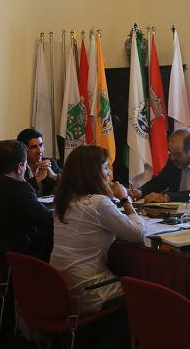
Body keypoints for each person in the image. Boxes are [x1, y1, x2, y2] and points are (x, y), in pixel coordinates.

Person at [50, 145, 143, 347]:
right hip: (88, 290)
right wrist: (125, 199)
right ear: (93, 173)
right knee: (143, 290)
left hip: (60, 288)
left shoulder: (63, 199)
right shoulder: (98, 202)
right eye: (105, 168)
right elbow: (137, 234)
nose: (109, 173)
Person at [130, 128, 190, 203]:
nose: (172, 158)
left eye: (177, 154)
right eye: (171, 153)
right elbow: (159, 181)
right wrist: (141, 191)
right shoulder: (175, 160)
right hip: (178, 215)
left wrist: (167, 197)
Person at [17, 128, 61, 196]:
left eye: (41, 145)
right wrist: (38, 178)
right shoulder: (18, 167)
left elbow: (70, 184)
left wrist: (54, 176)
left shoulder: (51, 163)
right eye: (33, 147)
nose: (40, 151)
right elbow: (18, 192)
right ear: (23, 150)